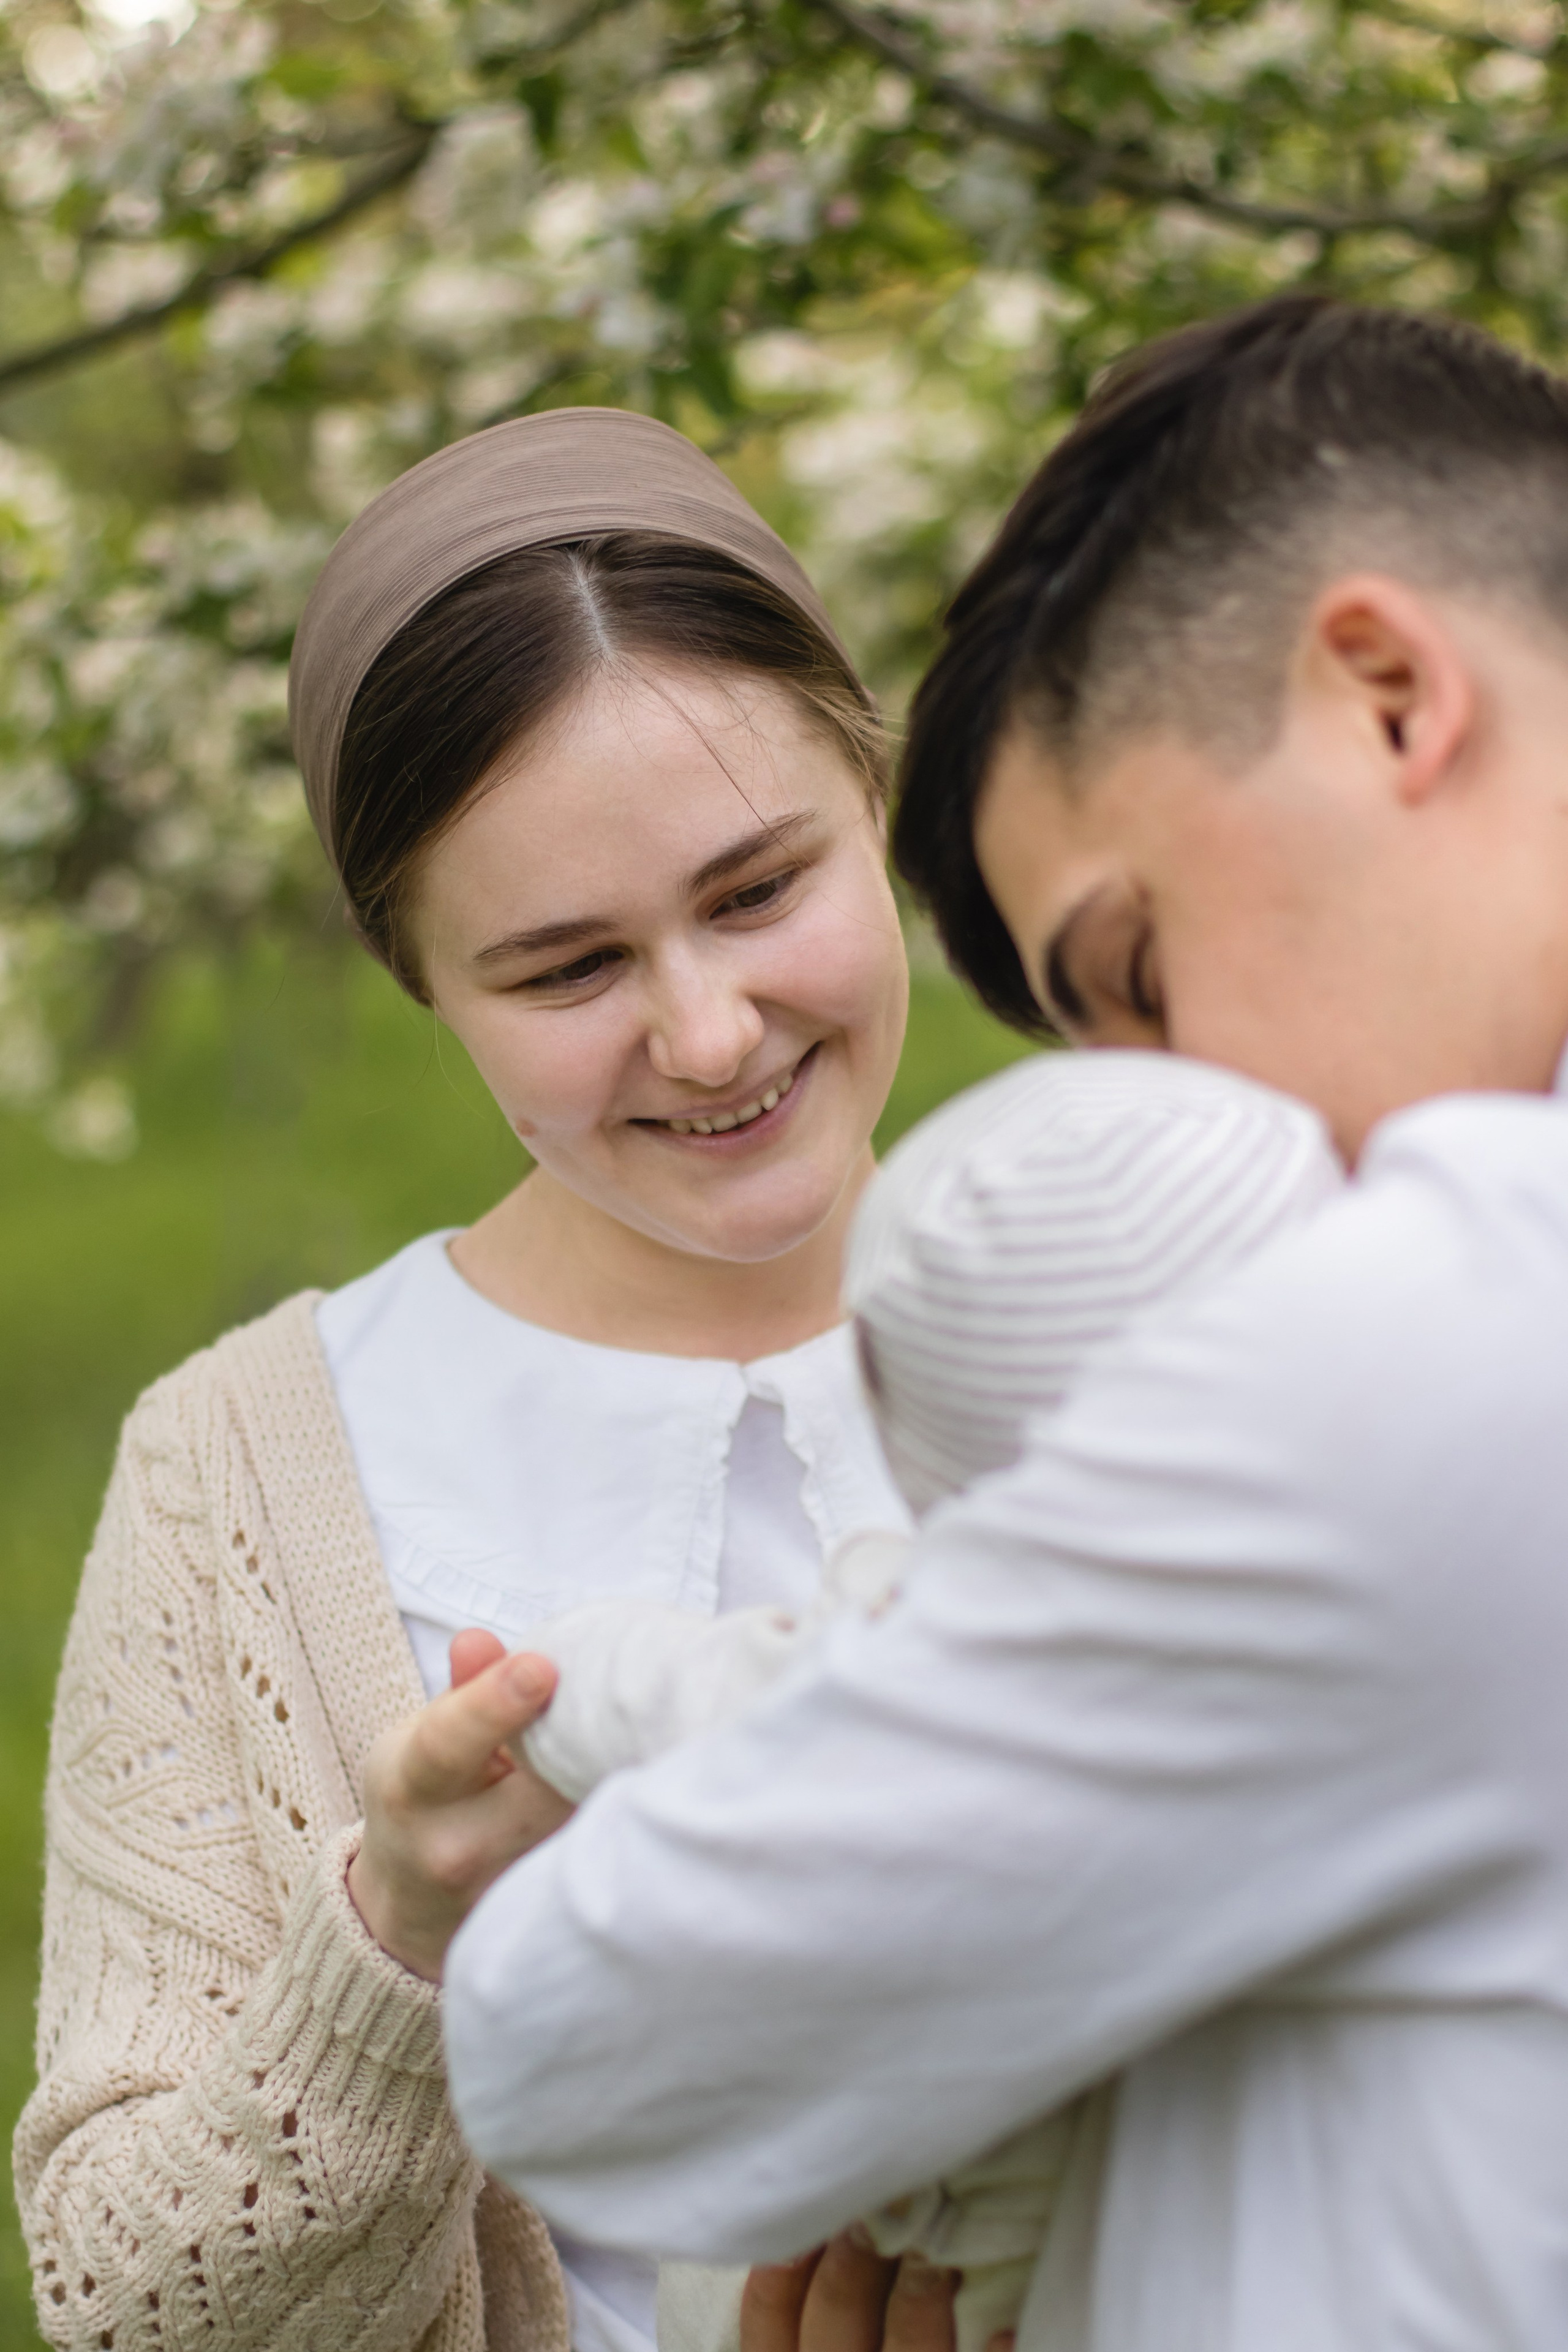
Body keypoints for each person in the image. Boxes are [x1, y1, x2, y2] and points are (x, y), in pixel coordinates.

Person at [439, 297, 1568, 2352]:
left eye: (1136, 968)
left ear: (1392, 696)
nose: (1180, 1104)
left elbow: (582, 2040)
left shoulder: (1432, 1344)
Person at [12, 407, 919, 2352]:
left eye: (760, 891)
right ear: (424, 982)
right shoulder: (248, 1472)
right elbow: (126, 2302)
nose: (707, 1030)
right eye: (568, 969)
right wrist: (395, 1936)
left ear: (878, 796)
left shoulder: (1200, 1309)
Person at [504, 1049, 1342, 2352]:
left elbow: (649, 1691)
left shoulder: (894, 1670)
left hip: (857, 2256)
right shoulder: (1337, 1676)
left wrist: (538, 1685)